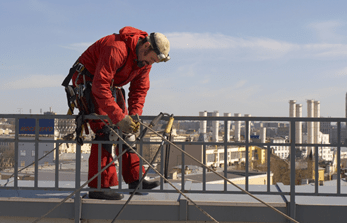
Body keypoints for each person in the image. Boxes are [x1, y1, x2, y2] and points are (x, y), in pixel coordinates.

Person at [63, 26, 170, 200]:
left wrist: (134, 115)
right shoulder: (117, 48)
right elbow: (99, 86)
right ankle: (99, 187)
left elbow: (139, 89)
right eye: (150, 60)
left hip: (107, 85)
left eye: (153, 62)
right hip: (89, 81)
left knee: (126, 130)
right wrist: (119, 117)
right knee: (104, 131)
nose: (149, 64)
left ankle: (136, 179)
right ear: (145, 47)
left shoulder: (144, 61)